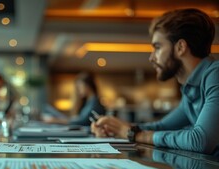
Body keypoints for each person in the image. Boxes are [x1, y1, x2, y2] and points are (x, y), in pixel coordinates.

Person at [91, 8, 219, 154]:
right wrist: (116, 128)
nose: (151, 58)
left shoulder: (215, 75)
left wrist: (137, 135)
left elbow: (200, 140)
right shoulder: (190, 88)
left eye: (157, 47)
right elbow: (162, 126)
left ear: (180, 47)